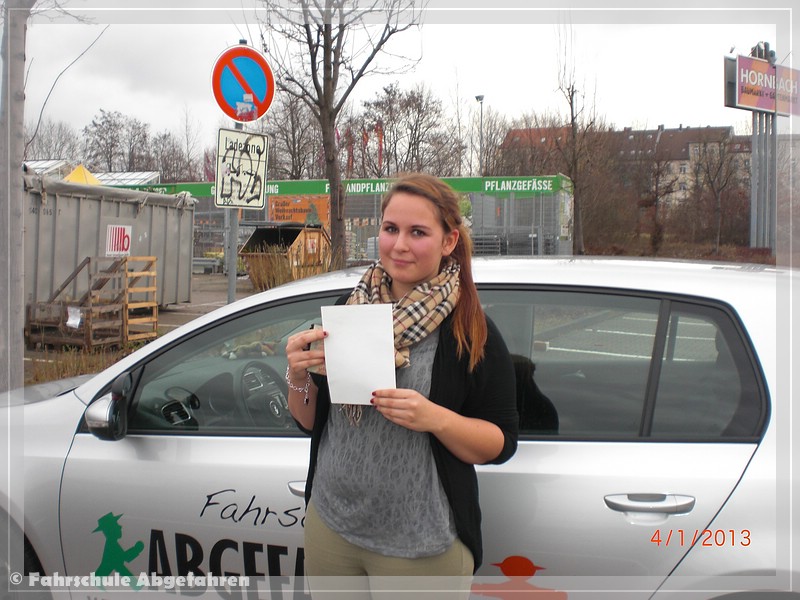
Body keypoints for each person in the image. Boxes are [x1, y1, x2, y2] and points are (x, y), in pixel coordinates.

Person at [284, 173, 519, 598]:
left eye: (418, 232)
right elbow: (310, 420)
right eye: (391, 229)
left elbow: (499, 443)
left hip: (422, 543)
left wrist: (434, 418)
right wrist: (298, 377)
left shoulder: (470, 331)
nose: (399, 245)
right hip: (332, 526)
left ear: (448, 241)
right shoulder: (350, 309)